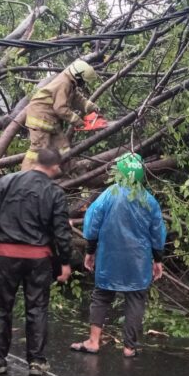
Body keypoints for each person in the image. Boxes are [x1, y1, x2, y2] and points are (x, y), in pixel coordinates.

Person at [0, 148, 72, 376]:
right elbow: (61, 231)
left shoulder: (7, 182)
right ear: (55, 167)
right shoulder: (55, 192)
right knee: (37, 308)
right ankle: (37, 362)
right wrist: (65, 262)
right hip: (39, 259)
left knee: (0, 308)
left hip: (7, 256)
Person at [70, 153, 166, 358]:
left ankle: (94, 341)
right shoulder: (149, 200)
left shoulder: (108, 195)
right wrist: (158, 260)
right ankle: (129, 348)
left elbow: (92, 225)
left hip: (109, 257)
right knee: (136, 299)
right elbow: (157, 233)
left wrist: (90, 251)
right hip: (138, 261)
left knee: (102, 296)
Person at [21, 60, 100, 171]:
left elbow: (76, 98)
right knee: (39, 150)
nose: (83, 83)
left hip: (51, 120)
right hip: (40, 117)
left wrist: (90, 106)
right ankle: (25, 177)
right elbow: (60, 108)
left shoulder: (69, 83)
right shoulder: (64, 83)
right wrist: (78, 121)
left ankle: (71, 172)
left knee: (63, 147)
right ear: (78, 76)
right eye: (83, 80)